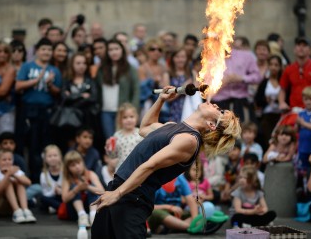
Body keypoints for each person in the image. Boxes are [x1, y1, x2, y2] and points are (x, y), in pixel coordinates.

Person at [90, 87, 241, 238]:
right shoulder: (173, 126)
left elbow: (151, 164)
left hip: (133, 197)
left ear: (212, 125)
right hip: (121, 188)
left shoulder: (189, 140)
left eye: (220, 111)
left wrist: (118, 193)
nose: (215, 105)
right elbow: (145, 128)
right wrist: (161, 100)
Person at [15, 38, 62, 183]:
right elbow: (17, 86)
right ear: (37, 51)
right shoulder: (27, 66)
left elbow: (57, 92)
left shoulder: (54, 70)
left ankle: (45, 179)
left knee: (45, 146)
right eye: (43, 49)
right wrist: (36, 80)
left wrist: (49, 84)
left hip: (47, 111)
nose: (46, 52)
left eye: (49, 50)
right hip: (29, 111)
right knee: (30, 146)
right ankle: (32, 179)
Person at [96, 39, 140, 139]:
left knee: (123, 140)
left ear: (122, 50)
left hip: (123, 111)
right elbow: (97, 88)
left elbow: (136, 90)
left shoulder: (130, 68)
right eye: (110, 49)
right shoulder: (102, 69)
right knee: (110, 140)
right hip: (106, 110)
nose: (114, 52)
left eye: (116, 49)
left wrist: (134, 110)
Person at [278, 37, 311, 111]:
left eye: (304, 45)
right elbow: (282, 89)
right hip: (295, 109)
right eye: (298, 45)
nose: (301, 48)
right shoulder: (289, 69)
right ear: (294, 49)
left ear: (310, 50)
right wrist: (281, 103)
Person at [0, 149, 36, 223]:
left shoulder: (15, 171)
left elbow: (28, 182)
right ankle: (16, 211)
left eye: (9, 159)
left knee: (19, 182)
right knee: (8, 183)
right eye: (4, 160)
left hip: (17, 202)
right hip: (1, 204)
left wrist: (14, 174)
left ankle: (25, 210)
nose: (7, 162)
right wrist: (8, 175)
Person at [61, 151, 104, 227]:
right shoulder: (67, 179)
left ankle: (93, 215)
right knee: (74, 187)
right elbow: (64, 199)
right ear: (68, 168)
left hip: (89, 207)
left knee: (93, 188)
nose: (77, 167)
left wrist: (88, 187)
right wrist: (77, 188)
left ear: (83, 162)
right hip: (74, 212)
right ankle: (82, 215)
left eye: (78, 163)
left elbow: (102, 192)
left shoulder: (91, 174)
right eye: (73, 165)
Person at [254, 55, 283, 148]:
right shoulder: (265, 82)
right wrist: (265, 100)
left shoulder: (283, 81)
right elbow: (258, 100)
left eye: (276, 65)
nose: (273, 67)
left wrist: (279, 100)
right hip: (267, 115)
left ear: (280, 67)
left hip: (281, 116)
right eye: (271, 64)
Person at [105, 102, 143, 171]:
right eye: (125, 117)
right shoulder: (117, 135)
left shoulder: (140, 133)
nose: (129, 120)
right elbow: (113, 155)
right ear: (120, 120)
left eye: (131, 116)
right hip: (121, 170)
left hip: (137, 169)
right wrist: (109, 148)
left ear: (136, 117)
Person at [162, 48, 194, 123]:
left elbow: (196, 96)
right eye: (177, 57)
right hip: (173, 112)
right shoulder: (167, 75)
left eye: (183, 57)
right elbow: (167, 98)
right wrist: (183, 88)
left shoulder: (192, 73)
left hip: (190, 111)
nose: (180, 59)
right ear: (172, 58)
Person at [39, 145, 63, 214]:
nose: (53, 158)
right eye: (49, 156)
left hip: (63, 196)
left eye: (55, 155)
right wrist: (54, 191)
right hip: (51, 197)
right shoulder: (43, 175)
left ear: (60, 157)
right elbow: (45, 193)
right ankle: (61, 207)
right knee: (43, 199)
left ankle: (57, 208)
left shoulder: (64, 172)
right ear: (45, 159)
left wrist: (61, 191)